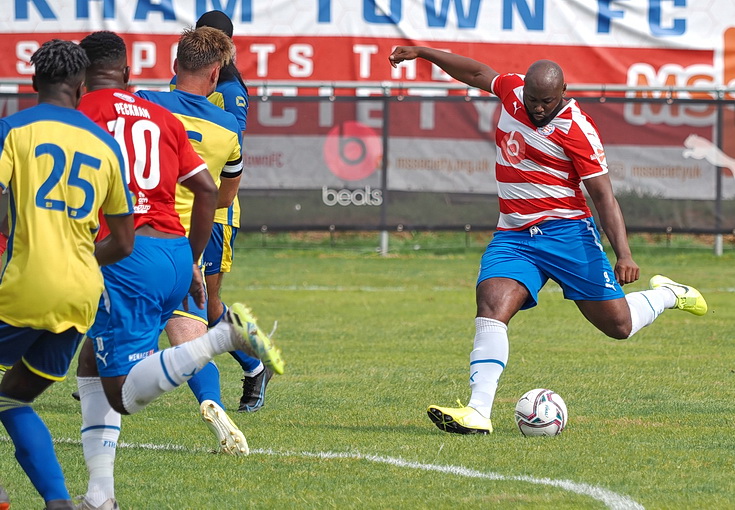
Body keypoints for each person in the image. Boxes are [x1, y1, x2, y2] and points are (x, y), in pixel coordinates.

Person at [388, 47, 708, 434]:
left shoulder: (577, 129)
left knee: (619, 325)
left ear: (564, 93)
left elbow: (604, 197)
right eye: (533, 100)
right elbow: (475, 71)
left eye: (547, 101)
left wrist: (624, 253)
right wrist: (422, 52)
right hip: (514, 235)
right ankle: (478, 412)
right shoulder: (511, 91)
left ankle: (669, 294)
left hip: (567, 235)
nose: (538, 108)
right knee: (491, 306)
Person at [0, 39, 135, 510]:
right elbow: (123, 241)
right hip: (80, 294)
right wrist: (75, 260)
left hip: (25, 283)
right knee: (12, 399)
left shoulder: (13, 130)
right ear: (80, 87)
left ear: (32, 83)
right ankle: (58, 503)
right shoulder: (105, 145)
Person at [137, 26, 283, 452]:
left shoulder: (143, 103)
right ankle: (216, 397)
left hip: (136, 235)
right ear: (215, 75)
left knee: (100, 329)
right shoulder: (227, 130)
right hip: (188, 243)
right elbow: (222, 196)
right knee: (192, 330)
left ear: (173, 65)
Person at [172, 10, 279, 413]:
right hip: (177, 202)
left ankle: (254, 364)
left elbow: (230, 144)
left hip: (213, 210)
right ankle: (108, 369)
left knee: (207, 302)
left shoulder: (231, 89)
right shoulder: (183, 80)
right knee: (171, 288)